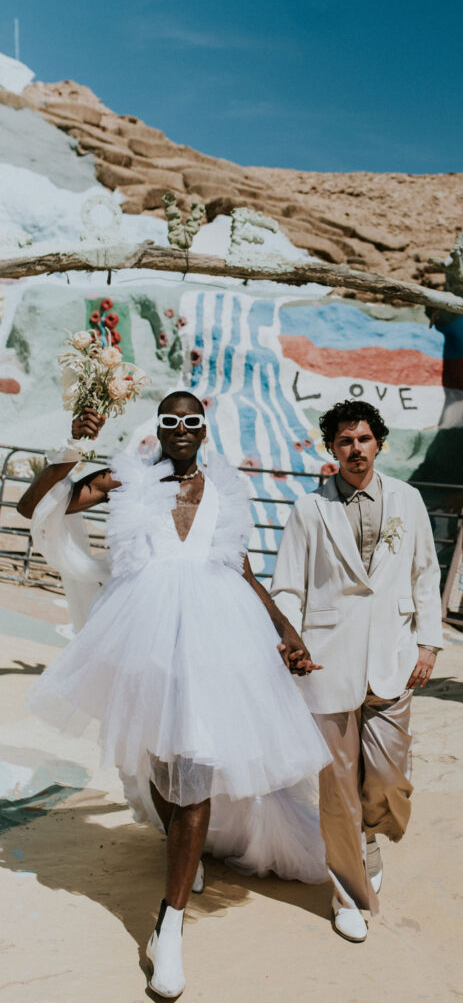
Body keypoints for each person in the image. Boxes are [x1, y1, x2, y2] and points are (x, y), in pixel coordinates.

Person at [18, 392, 331, 999]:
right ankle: (183, 859)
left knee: (195, 769)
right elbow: (37, 505)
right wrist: (73, 447)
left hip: (218, 639)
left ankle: (172, 922)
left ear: (204, 430)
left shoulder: (223, 490)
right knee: (161, 769)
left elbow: (238, 567)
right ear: (158, 428)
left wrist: (286, 631)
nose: (182, 429)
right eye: (171, 421)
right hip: (146, 637)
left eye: (192, 422)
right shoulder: (127, 480)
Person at [271, 399, 443, 943]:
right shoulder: (309, 510)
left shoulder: (408, 501)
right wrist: (290, 642)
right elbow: (289, 585)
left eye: (364, 439)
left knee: (389, 778)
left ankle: (368, 837)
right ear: (331, 449)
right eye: (344, 441)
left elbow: (425, 575)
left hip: (392, 658)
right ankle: (347, 892)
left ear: (378, 443)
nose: (355, 450)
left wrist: (428, 644)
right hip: (327, 662)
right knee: (337, 789)